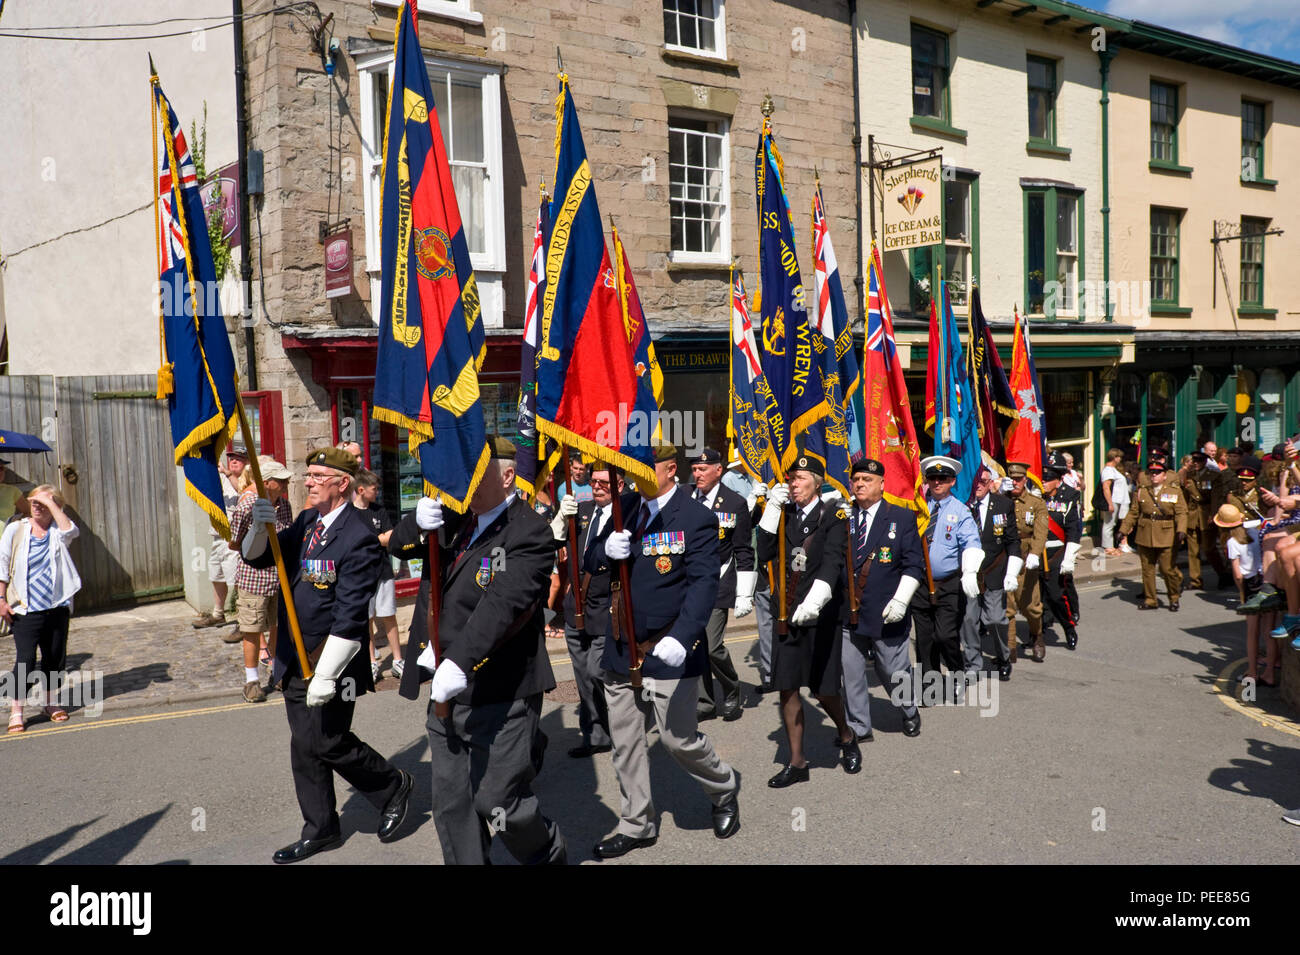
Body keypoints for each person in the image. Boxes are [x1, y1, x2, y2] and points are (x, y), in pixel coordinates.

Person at [391, 437, 566, 866]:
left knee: (497, 802)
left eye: (477, 469)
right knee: (453, 807)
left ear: (507, 476)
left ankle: (548, 851)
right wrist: (416, 522)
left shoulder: (530, 532)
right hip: (448, 691)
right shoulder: (451, 517)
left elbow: (503, 605)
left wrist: (459, 659)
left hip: (502, 687)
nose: (465, 478)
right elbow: (399, 546)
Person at [243, 447, 412, 864]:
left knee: (327, 740)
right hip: (293, 653)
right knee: (304, 745)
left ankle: (391, 784)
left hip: (333, 661)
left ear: (342, 484)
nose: (309, 481)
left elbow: (351, 613)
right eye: (308, 474)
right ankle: (320, 828)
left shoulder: (358, 536)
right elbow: (263, 557)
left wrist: (326, 674)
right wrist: (258, 528)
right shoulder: (307, 521)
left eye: (319, 475)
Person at [590, 442, 740, 857]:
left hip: (670, 646)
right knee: (626, 743)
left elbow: (704, 582)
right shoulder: (625, 508)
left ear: (671, 469)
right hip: (623, 647)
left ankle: (723, 788)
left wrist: (685, 635)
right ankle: (637, 823)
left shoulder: (696, 517)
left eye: (644, 466)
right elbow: (589, 562)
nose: (634, 474)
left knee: (678, 740)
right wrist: (605, 550)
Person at [755, 454, 859, 786]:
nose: (792, 483)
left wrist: (817, 598)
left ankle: (845, 734)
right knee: (787, 687)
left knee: (824, 690)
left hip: (820, 612)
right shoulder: (783, 514)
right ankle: (797, 762)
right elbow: (763, 551)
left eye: (799, 478)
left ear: (816, 482)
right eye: (790, 478)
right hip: (786, 612)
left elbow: (832, 561)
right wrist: (770, 511)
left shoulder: (834, 514)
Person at [839, 458, 924, 738]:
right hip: (849, 613)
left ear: (882, 484)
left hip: (887, 611)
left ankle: (909, 709)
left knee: (891, 670)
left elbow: (914, 565)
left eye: (867, 480)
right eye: (856, 480)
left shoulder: (901, 517)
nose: (860, 484)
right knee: (850, 672)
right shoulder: (842, 516)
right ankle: (859, 727)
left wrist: (901, 599)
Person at [1, 486, 81, 733]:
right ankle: (17, 711)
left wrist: (52, 503)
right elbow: (1, 565)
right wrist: (1, 599)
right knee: (25, 661)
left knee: (54, 657)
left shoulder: (58, 531)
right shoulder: (16, 529)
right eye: (33, 501)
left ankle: (50, 703)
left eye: (42, 502)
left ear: (54, 505)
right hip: (24, 609)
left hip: (56, 607)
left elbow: (72, 531)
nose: (35, 505)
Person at [550, 467, 616, 758]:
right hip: (576, 606)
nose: (598, 487)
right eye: (594, 482)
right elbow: (550, 542)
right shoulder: (582, 509)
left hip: (607, 606)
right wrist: (561, 518)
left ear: (619, 484)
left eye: (604, 482)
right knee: (582, 676)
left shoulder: (626, 513)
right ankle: (596, 734)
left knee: (597, 669)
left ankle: (624, 720)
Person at [689, 447, 754, 722]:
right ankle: (704, 702)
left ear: (718, 470)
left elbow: (743, 550)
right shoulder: (684, 497)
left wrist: (744, 592)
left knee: (713, 645)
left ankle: (730, 689)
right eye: (694, 469)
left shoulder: (734, 503)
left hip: (718, 582)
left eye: (703, 469)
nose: (697, 473)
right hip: (688, 584)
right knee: (695, 644)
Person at [911, 456, 983, 678]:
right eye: (932, 478)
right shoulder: (918, 507)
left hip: (948, 584)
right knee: (924, 639)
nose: (937, 482)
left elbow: (971, 541)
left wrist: (970, 570)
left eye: (942, 478)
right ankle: (929, 683)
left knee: (945, 636)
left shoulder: (960, 511)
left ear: (952, 481)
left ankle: (956, 671)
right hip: (920, 582)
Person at [228, 457, 294, 702]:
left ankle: (276, 672)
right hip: (254, 577)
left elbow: (287, 534)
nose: (287, 483)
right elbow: (234, 542)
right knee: (252, 629)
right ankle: (251, 681)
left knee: (278, 624)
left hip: (278, 576)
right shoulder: (247, 506)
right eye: (281, 480)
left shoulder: (284, 505)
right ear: (267, 482)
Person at [962, 465, 1023, 681]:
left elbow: (1012, 540)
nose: (978, 485)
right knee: (969, 620)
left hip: (994, 571)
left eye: (983, 481)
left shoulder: (1003, 505)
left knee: (996, 619)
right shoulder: (963, 505)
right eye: (975, 481)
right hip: (969, 574)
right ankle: (973, 663)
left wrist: (1012, 571)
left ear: (990, 484)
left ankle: (1003, 657)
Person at [1215, 504, 1277, 687]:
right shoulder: (1253, 533)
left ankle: (1252, 672)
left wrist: (1241, 591)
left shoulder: (1232, 542)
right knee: (1269, 631)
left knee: (1252, 633)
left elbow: (1238, 574)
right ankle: (1270, 673)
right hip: (1266, 580)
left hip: (1250, 585)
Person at [351, 469, 402, 682]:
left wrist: (370, 539)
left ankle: (398, 660)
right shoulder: (350, 513)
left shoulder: (379, 511)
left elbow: (390, 537)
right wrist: (376, 538)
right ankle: (371, 661)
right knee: (368, 620)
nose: (378, 492)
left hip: (383, 572)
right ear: (361, 490)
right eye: (374, 489)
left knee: (389, 615)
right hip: (362, 575)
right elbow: (354, 542)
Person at [1118, 459, 1187, 611]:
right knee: (1147, 570)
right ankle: (1150, 600)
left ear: (1164, 476)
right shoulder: (1142, 491)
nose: (1154, 475)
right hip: (1145, 533)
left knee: (1167, 569)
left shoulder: (1174, 491)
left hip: (1166, 534)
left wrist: (1181, 529)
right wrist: (1123, 530)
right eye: (1151, 473)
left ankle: (1174, 597)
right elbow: (1134, 512)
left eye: (1157, 473)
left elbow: (1182, 512)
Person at [193, 443, 247, 629]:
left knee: (237, 580)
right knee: (217, 575)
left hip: (235, 539)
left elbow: (243, 491)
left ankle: (243, 620)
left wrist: (228, 474)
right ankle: (218, 614)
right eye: (231, 458)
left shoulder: (248, 479)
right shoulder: (224, 478)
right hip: (217, 535)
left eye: (238, 459)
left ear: (246, 462)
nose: (233, 461)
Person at [1006, 462, 1048, 662]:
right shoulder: (1000, 500)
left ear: (1025, 480)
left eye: (1019, 479)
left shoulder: (1036, 503)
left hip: (1025, 559)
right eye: (1012, 479)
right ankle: (1010, 647)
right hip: (1005, 560)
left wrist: (1035, 554)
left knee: (1031, 605)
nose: (1015, 482)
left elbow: (1040, 532)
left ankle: (1037, 636)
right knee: (1008, 606)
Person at [1040, 450, 1082, 648]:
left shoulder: (1071, 495)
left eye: (1047, 479)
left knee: (1056, 595)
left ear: (1058, 479)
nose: (1043, 482)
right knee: (1036, 598)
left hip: (1058, 552)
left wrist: (1069, 557)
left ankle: (1068, 627)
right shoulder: (1035, 496)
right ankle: (1036, 635)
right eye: (1042, 478)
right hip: (1037, 553)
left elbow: (1074, 527)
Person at [1100, 449, 1128, 556]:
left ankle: (1111, 545)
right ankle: (1108, 547)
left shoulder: (1113, 470)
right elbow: (1106, 487)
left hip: (1118, 500)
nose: (1120, 459)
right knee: (1109, 523)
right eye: (1119, 457)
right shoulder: (1108, 470)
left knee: (1113, 523)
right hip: (1114, 500)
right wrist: (1110, 503)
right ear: (1114, 458)